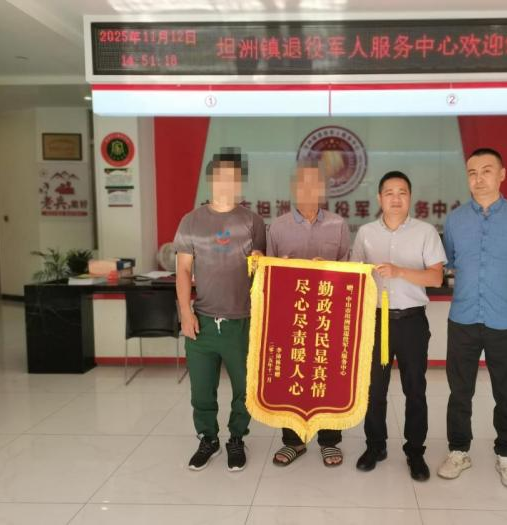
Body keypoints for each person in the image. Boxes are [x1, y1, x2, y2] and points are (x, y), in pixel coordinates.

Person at [439, 148, 507, 489]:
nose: (478, 179)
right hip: (463, 317)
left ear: (502, 174)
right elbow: (451, 261)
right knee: (459, 391)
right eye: (472, 172)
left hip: (504, 319)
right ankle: (458, 450)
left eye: (486, 171)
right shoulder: (454, 220)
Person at [174, 148, 266, 473]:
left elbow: (262, 270)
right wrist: (185, 313)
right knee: (201, 389)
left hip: (242, 322)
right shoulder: (191, 221)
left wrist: (259, 261)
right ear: (210, 179)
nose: (227, 182)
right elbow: (183, 270)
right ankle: (208, 439)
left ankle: (236, 438)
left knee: (245, 389)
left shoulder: (253, 221)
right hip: (201, 320)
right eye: (220, 176)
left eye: (233, 177)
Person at [352, 171, 446, 481]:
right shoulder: (365, 233)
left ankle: (415, 452)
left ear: (410, 197)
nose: (395, 198)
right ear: (379, 198)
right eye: (389, 192)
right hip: (375, 321)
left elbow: (436, 277)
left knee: (415, 389)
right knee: (374, 389)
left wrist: (400, 271)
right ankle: (375, 446)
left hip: (411, 322)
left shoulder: (425, 232)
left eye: (402, 192)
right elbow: (354, 275)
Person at [268, 158, 351, 467]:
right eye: (302, 182)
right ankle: (293, 441)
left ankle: (330, 441)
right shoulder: (277, 227)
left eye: (315, 182)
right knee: (291, 379)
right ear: (293, 187)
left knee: (327, 378)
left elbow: (348, 272)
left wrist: (327, 269)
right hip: (290, 319)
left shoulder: (338, 225)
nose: (308, 189)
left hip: (328, 317)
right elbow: (267, 276)